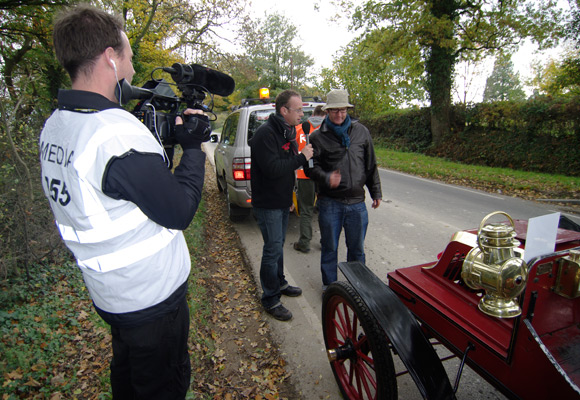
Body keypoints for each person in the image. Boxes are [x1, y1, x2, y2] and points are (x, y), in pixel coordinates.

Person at [39, 5, 209, 398]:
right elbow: (180, 210)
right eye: (129, 57)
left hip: (111, 295)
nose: (132, 69)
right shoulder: (114, 135)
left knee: (129, 381)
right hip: (151, 301)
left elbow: (117, 191)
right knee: (160, 387)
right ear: (110, 57)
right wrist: (193, 148)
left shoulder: (58, 124)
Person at [306, 89, 382, 293]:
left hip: (357, 203)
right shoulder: (316, 137)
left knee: (357, 249)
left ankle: (359, 287)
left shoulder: (361, 132)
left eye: (343, 111)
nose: (339, 115)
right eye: (334, 111)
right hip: (330, 202)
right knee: (330, 248)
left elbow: (370, 164)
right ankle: (330, 288)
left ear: (347, 110)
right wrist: (327, 178)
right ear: (327, 111)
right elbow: (310, 168)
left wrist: (376, 192)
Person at [250, 89, 314, 321]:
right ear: (283, 110)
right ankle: (270, 299)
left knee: (278, 246)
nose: (302, 114)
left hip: (281, 200)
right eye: (298, 110)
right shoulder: (265, 135)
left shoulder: (286, 131)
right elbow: (274, 169)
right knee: (272, 249)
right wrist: (303, 157)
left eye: (302, 110)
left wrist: (289, 199)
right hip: (267, 204)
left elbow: (286, 169)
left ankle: (279, 282)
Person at [293, 105, 326, 253]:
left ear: (313, 114)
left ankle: (304, 243)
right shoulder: (328, 130)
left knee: (306, 209)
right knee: (325, 208)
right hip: (323, 175)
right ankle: (325, 242)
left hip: (303, 175)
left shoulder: (300, 128)